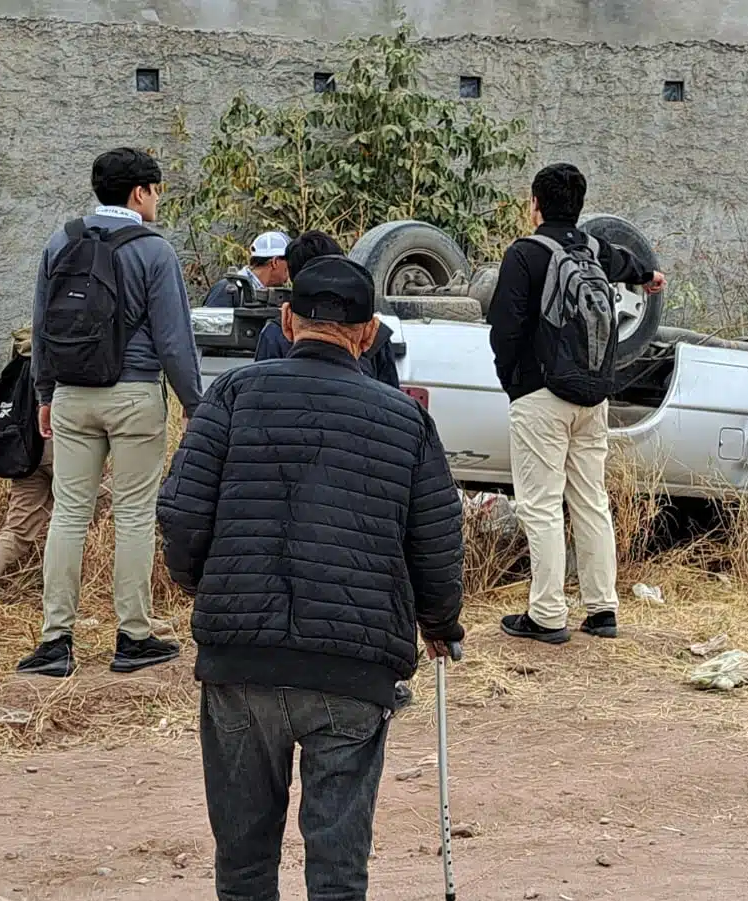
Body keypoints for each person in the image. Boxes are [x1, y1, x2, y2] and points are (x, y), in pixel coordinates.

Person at [157, 254, 465, 901]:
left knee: (243, 865)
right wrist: (439, 623)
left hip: (240, 664)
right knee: (337, 870)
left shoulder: (233, 395)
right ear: (369, 332)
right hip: (352, 673)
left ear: (288, 318)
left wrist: (203, 587)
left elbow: (182, 514)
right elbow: (436, 541)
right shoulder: (405, 419)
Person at [19, 147, 204, 678]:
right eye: (157, 190)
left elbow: (40, 325)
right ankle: (133, 637)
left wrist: (45, 393)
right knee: (134, 514)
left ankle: (55, 642)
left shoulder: (61, 240)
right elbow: (174, 341)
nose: (158, 200)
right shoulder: (153, 251)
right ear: (140, 192)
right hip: (134, 395)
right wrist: (194, 403)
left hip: (73, 394)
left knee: (70, 513)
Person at [487, 163, 666, 644]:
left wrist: (514, 382)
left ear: (535, 205)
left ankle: (546, 615)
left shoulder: (525, 254)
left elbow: (504, 328)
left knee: (541, 504)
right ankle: (602, 608)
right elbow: (626, 261)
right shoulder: (592, 249)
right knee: (590, 500)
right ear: (580, 206)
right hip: (593, 396)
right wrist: (649, 275)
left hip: (540, 395)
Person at [0, 329, 111, 617]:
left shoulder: (15, 373)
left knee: (18, 531)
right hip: (64, 452)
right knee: (108, 508)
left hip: (25, 457)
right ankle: (77, 594)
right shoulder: (65, 362)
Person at [255, 230, 401, 391]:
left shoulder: (275, 334)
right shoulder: (377, 334)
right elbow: (391, 398)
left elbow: (260, 395)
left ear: (287, 319)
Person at [201, 231, 291, 308]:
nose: (291, 269)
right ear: (275, 262)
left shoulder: (271, 296)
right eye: (289, 263)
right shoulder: (228, 289)